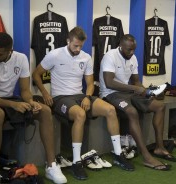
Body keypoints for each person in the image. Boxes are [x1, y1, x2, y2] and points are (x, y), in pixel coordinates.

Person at [32, 26, 134, 180]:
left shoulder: (86, 57)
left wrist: (87, 96)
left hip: (80, 95)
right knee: (80, 114)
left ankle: (118, 154)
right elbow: (36, 74)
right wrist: (45, 93)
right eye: (75, 45)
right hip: (61, 98)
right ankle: (76, 162)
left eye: (81, 46)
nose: (78, 49)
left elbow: (90, 82)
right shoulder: (55, 54)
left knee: (110, 110)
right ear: (68, 41)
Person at [0, 33, 67, 184]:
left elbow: (25, 90)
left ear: (9, 50)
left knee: (44, 110)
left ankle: (51, 166)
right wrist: (14, 105)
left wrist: (31, 102)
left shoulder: (21, 58)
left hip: (10, 99)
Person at [99, 34, 176, 171]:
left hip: (128, 93)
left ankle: (159, 147)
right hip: (110, 94)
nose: (132, 53)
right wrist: (135, 88)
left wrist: (146, 92)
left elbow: (136, 81)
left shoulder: (133, 58)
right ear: (121, 46)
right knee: (132, 111)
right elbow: (109, 83)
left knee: (159, 106)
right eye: (129, 49)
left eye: (134, 49)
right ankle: (147, 157)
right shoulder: (110, 56)